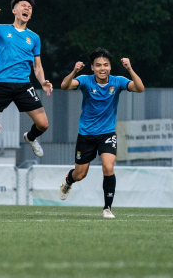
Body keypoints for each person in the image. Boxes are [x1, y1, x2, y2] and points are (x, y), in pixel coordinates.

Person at [58, 48, 144, 218]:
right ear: (92, 68)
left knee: (108, 166)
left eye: (105, 65)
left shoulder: (117, 81)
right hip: (86, 134)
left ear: (110, 67)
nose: (102, 68)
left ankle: (107, 208)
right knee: (80, 174)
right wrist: (74, 71)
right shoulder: (85, 80)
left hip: (107, 133)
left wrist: (130, 69)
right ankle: (69, 180)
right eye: (98, 65)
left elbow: (139, 88)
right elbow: (64, 86)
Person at [0, 0, 52, 157]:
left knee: (43, 124)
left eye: (29, 8)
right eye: (23, 6)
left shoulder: (34, 38)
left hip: (23, 85)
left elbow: (37, 66)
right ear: (14, 11)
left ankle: (30, 138)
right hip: (1, 85)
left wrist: (43, 81)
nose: (27, 9)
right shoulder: (1, 29)